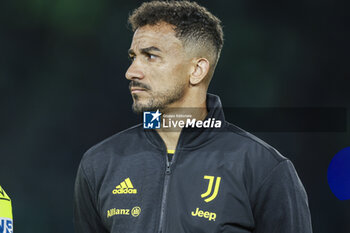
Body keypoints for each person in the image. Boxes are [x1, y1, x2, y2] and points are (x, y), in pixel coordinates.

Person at [73, 1, 313, 233]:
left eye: (151, 56)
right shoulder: (100, 162)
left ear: (197, 70)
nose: (131, 72)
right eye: (133, 56)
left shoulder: (264, 169)